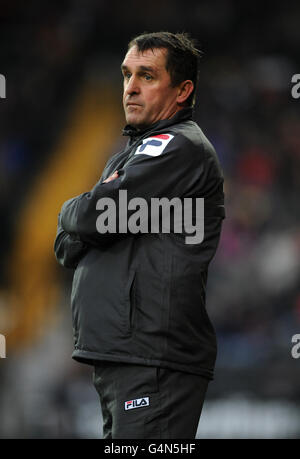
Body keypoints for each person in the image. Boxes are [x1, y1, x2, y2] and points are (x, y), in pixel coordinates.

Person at [54, 31, 225, 439]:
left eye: (147, 76)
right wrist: (92, 218)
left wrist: (74, 211)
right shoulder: (129, 155)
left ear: (183, 89)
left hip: (154, 357)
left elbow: (92, 216)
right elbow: (65, 245)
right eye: (127, 75)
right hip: (124, 354)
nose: (130, 87)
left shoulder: (180, 147)